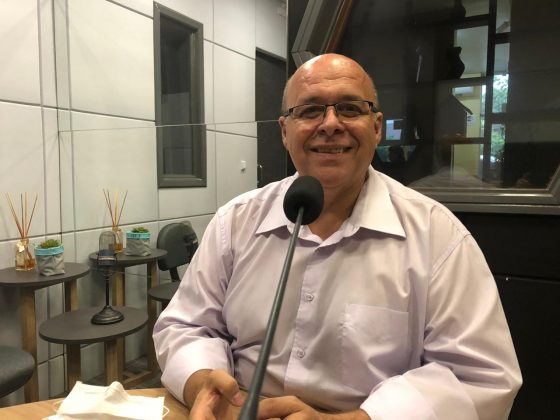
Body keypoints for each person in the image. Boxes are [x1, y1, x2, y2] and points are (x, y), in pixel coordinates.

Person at [153, 53, 522, 419]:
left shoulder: (438, 237)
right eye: (310, 110)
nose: (330, 124)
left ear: (376, 127)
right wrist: (203, 385)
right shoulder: (234, 222)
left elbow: (479, 377)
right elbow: (185, 325)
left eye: (349, 108)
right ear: (284, 131)